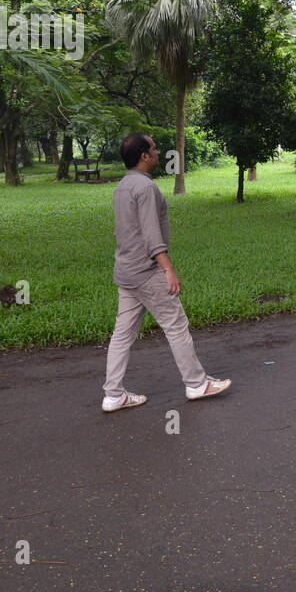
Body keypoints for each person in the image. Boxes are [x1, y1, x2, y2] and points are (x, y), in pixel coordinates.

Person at [103, 132, 231, 412]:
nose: (159, 152)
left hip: (126, 271)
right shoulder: (146, 188)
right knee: (176, 324)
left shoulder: (123, 185)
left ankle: (113, 395)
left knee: (122, 334)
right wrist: (168, 269)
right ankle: (197, 384)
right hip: (146, 271)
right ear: (143, 156)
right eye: (154, 148)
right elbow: (151, 235)